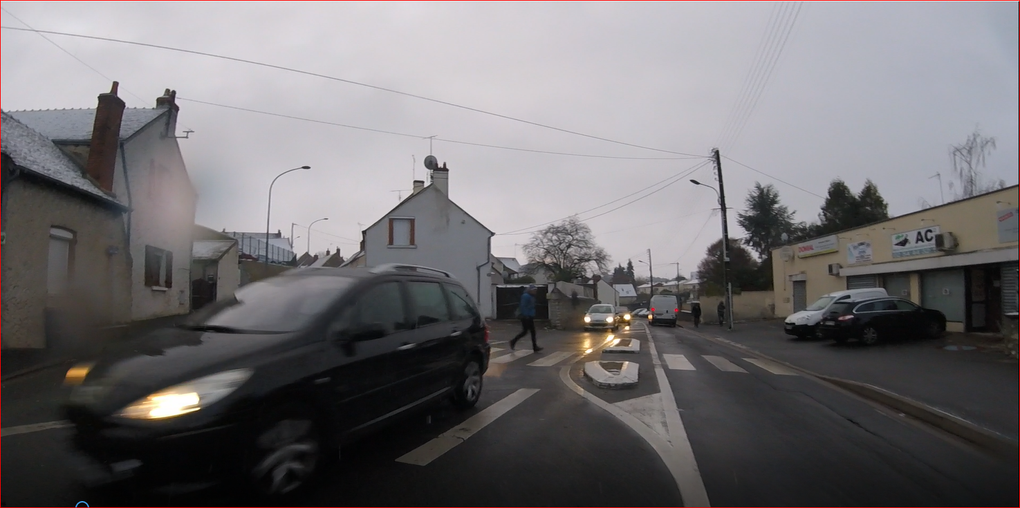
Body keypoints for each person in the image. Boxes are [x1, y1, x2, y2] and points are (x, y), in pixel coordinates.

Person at [511, 285, 543, 352]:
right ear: (530, 290)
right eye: (534, 290)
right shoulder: (526, 296)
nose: (535, 291)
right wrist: (526, 315)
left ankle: (534, 347)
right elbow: (523, 306)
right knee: (526, 332)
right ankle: (513, 341)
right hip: (526, 317)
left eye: (535, 290)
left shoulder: (531, 296)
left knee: (530, 332)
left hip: (529, 316)